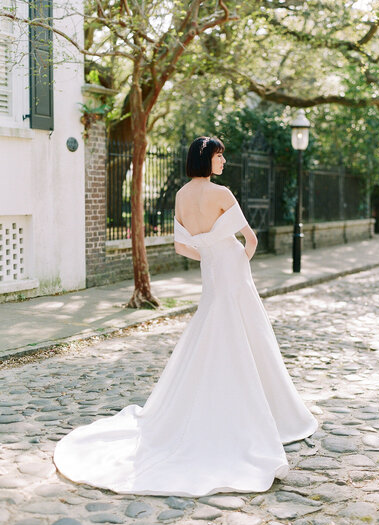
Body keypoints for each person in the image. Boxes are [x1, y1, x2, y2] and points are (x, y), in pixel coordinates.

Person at [53, 136, 318, 497]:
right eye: (219, 156)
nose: (223, 161)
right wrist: (234, 261)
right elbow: (251, 240)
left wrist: (209, 255)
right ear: (206, 159)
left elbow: (181, 247)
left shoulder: (180, 196)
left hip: (211, 273)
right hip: (233, 272)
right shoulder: (222, 194)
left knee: (211, 335)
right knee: (249, 336)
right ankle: (269, 413)